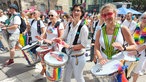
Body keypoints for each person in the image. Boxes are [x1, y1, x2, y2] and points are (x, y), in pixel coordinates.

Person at [93, 3, 136, 68]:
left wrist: (124, 48)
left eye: (109, 14)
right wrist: (100, 57)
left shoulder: (123, 29)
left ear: (115, 14)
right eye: (104, 15)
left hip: (118, 64)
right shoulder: (99, 31)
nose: (107, 17)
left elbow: (134, 46)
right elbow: (96, 47)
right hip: (103, 64)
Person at [54, 4, 89, 82]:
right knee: (66, 78)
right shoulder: (69, 25)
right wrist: (58, 39)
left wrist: (70, 46)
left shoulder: (83, 28)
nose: (75, 12)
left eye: (78, 10)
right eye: (74, 10)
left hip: (78, 57)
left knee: (78, 78)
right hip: (69, 55)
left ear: (81, 13)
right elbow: (63, 37)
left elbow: (83, 45)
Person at [34, 10, 64, 79]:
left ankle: (57, 77)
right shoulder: (49, 24)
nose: (50, 17)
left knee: (54, 63)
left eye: (52, 15)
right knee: (44, 62)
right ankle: (43, 74)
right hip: (48, 46)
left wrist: (52, 41)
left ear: (56, 16)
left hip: (56, 47)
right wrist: (41, 38)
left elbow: (61, 37)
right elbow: (45, 35)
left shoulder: (59, 24)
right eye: (49, 15)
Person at [129, 12, 146, 82]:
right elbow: (130, 34)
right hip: (133, 49)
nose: (144, 19)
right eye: (143, 18)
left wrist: (136, 51)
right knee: (128, 68)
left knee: (137, 70)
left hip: (142, 53)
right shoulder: (137, 26)